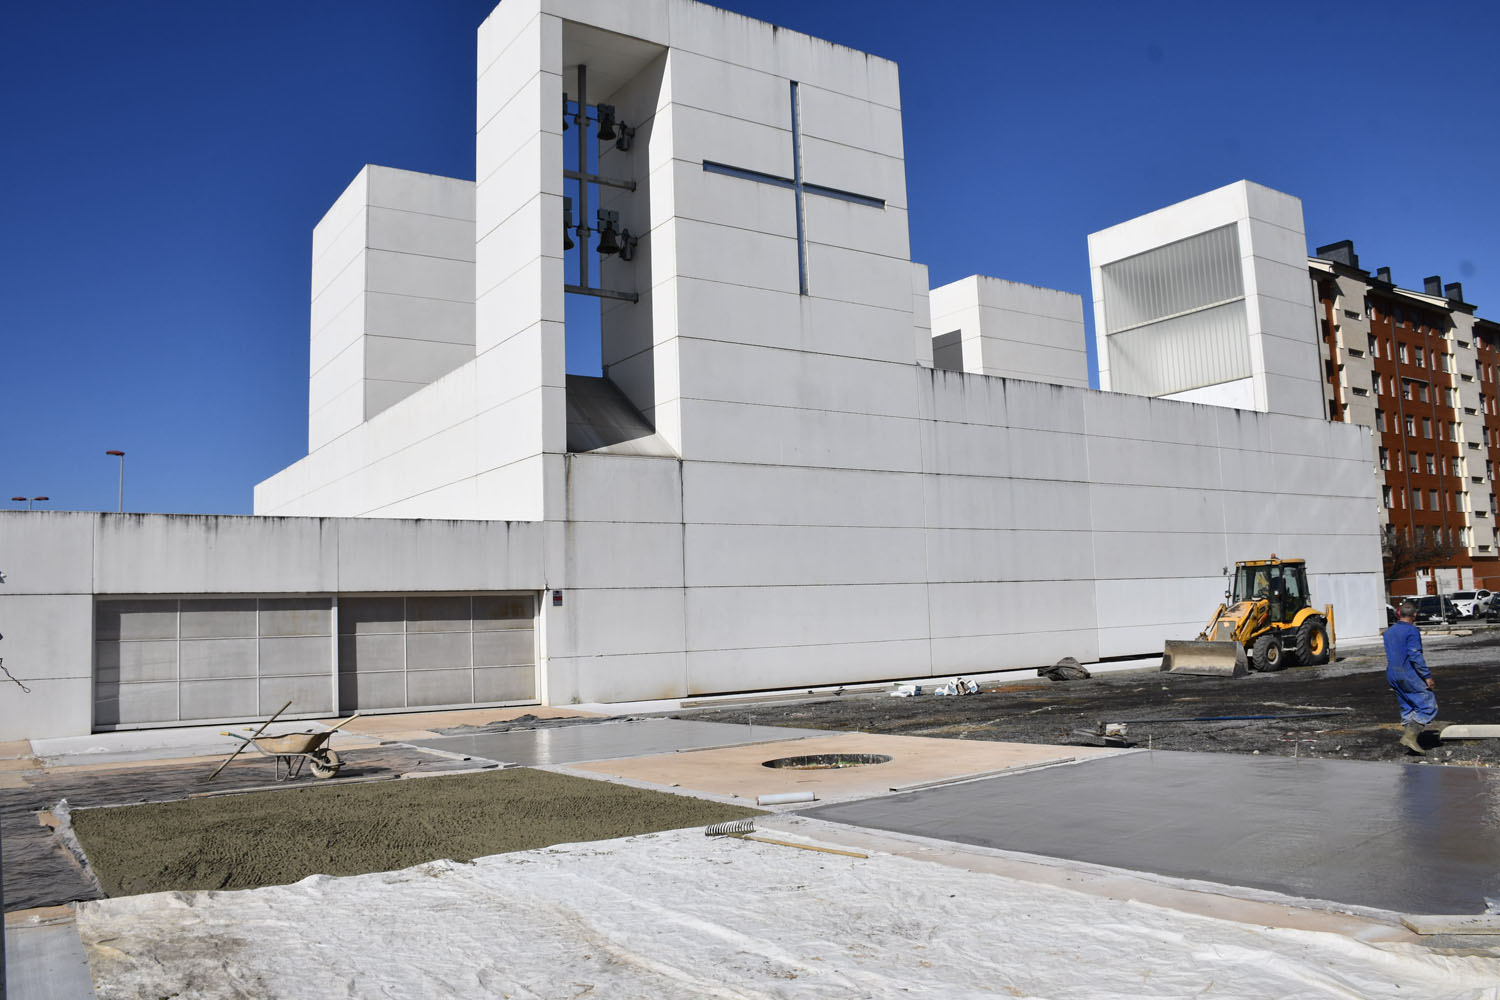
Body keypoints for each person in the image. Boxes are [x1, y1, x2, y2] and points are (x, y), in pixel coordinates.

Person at [1383, 599, 1436, 754]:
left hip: (1392, 673)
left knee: (1407, 705)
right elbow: (1415, 655)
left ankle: (1412, 741)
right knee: (1428, 705)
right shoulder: (1412, 631)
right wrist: (1427, 676)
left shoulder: (1389, 632)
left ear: (1399, 614)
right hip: (1407, 672)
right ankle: (1410, 737)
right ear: (1415, 614)